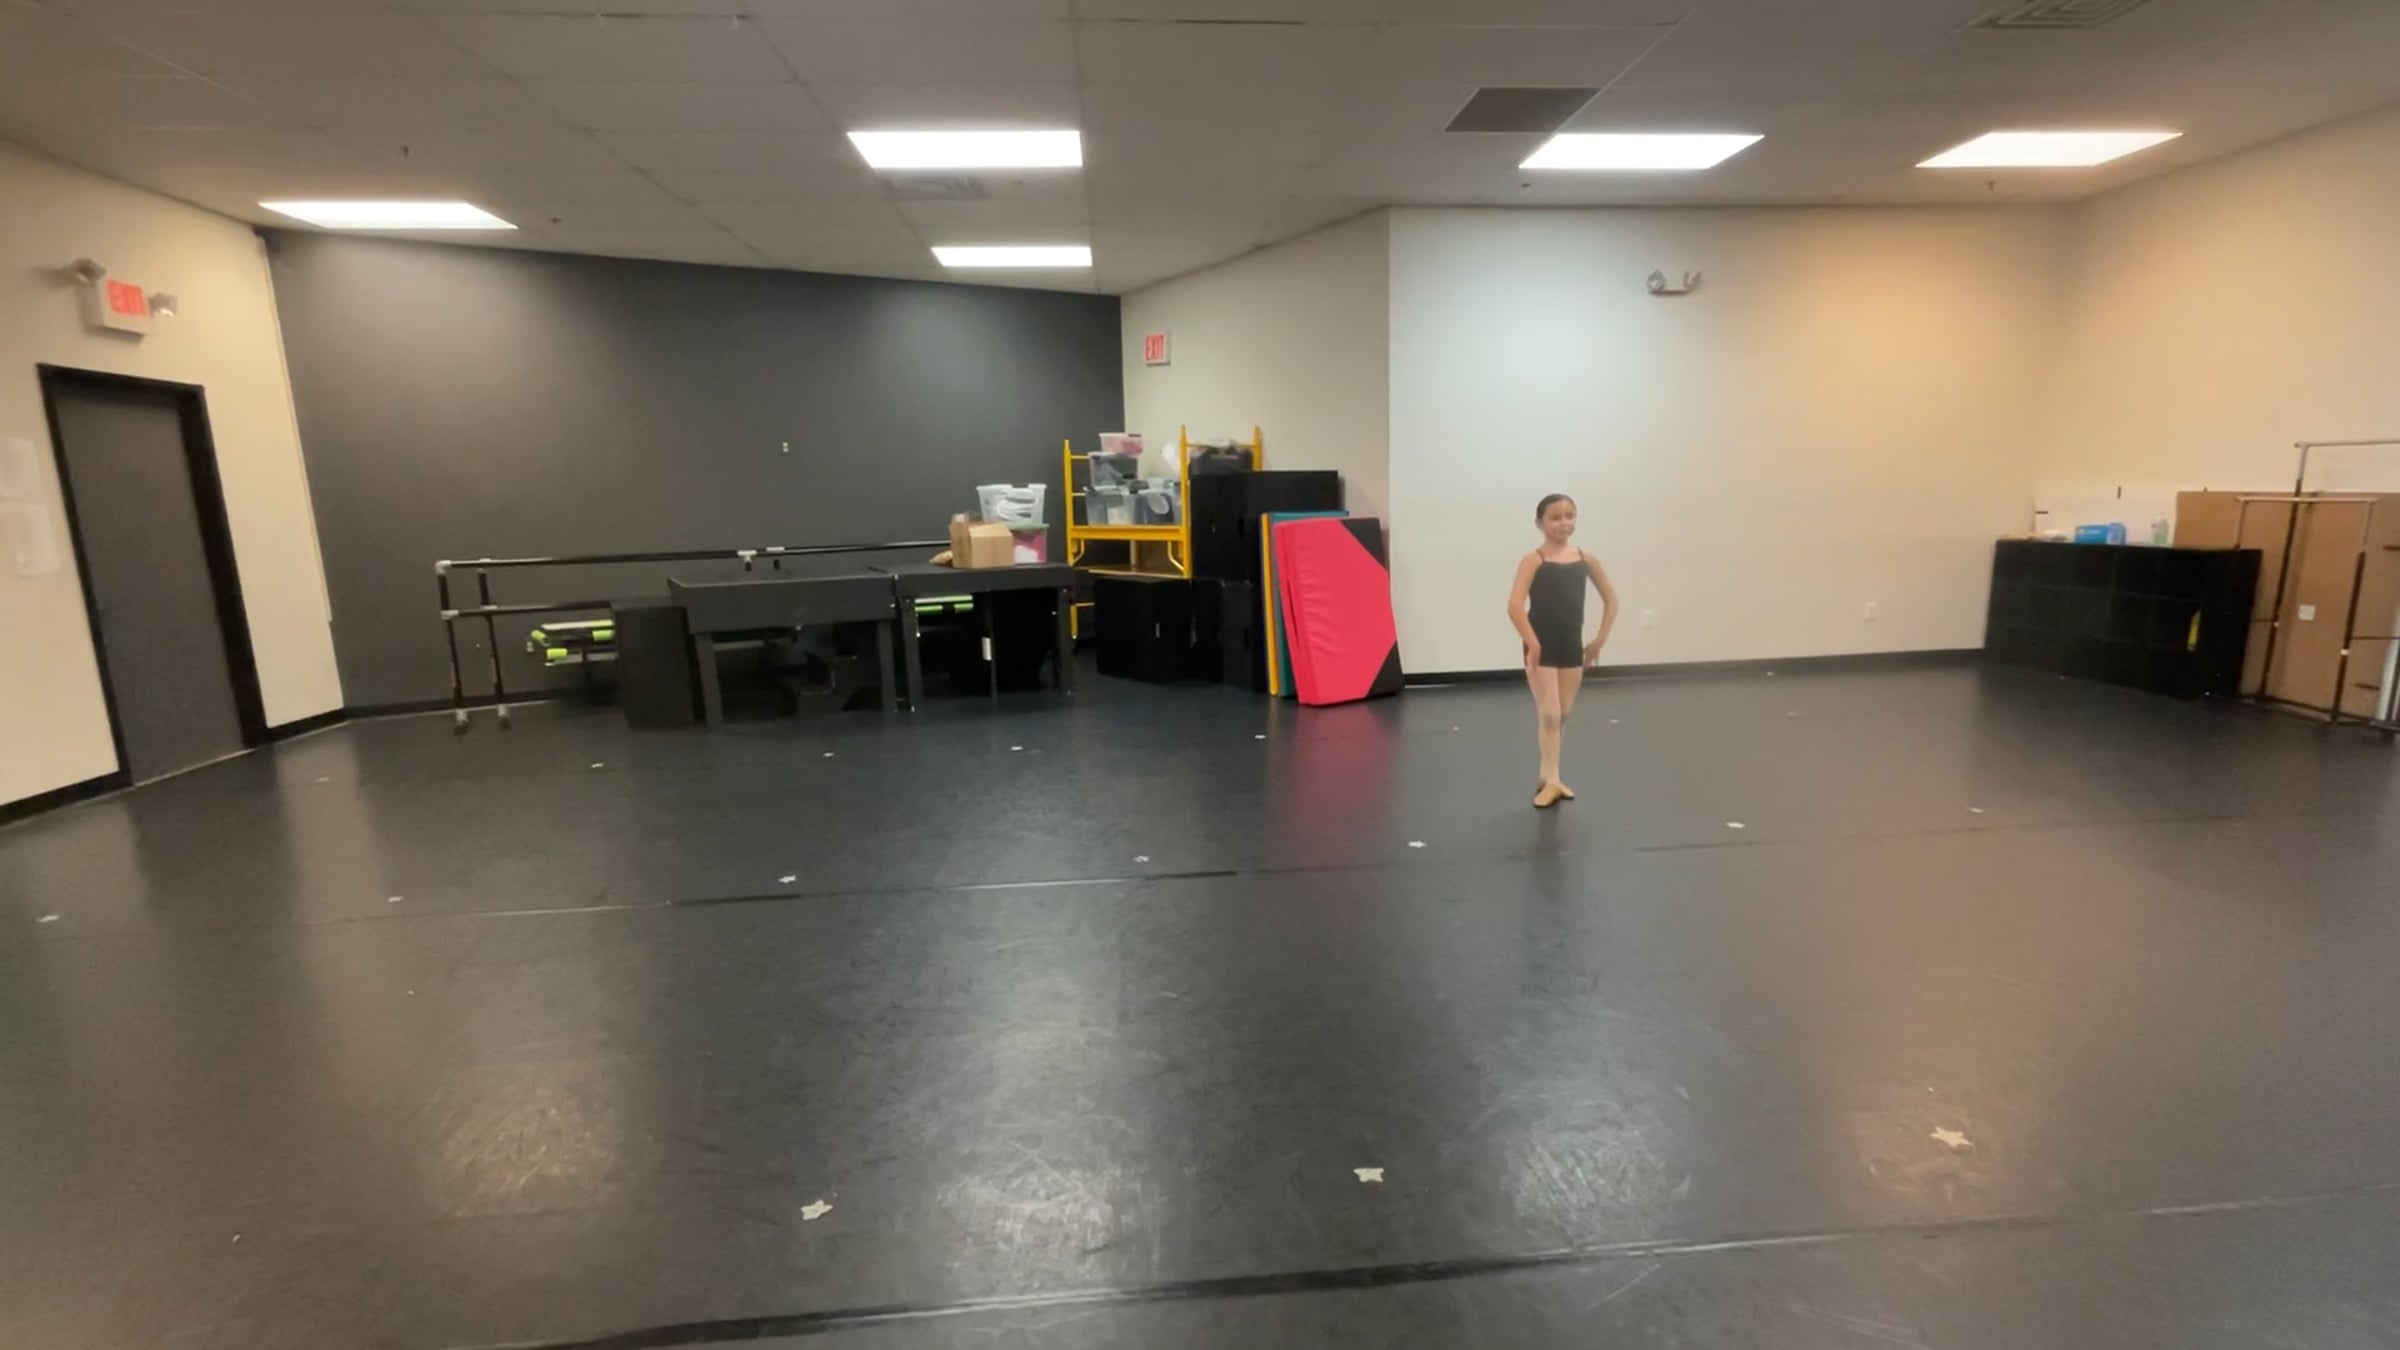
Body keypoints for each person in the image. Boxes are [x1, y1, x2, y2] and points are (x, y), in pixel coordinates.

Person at [1506, 494, 1619, 809]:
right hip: (1541, 645)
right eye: (1555, 518)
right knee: (1550, 713)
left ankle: (1548, 775)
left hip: (1571, 644)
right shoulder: (1533, 560)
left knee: (1564, 713)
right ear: (1540, 523)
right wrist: (1532, 642)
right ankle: (1553, 780)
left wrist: (1599, 640)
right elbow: (1514, 605)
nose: (1564, 523)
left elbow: (1611, 599)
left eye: (1569, 516)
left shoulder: (1585, 559)